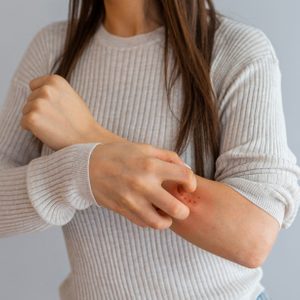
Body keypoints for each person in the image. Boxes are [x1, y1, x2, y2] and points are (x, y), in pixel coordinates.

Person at [0, 0, 299, 299]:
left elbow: (251, 236)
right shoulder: (52, 48)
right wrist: (82, 173)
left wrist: (88, 138)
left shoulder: (236, 48)